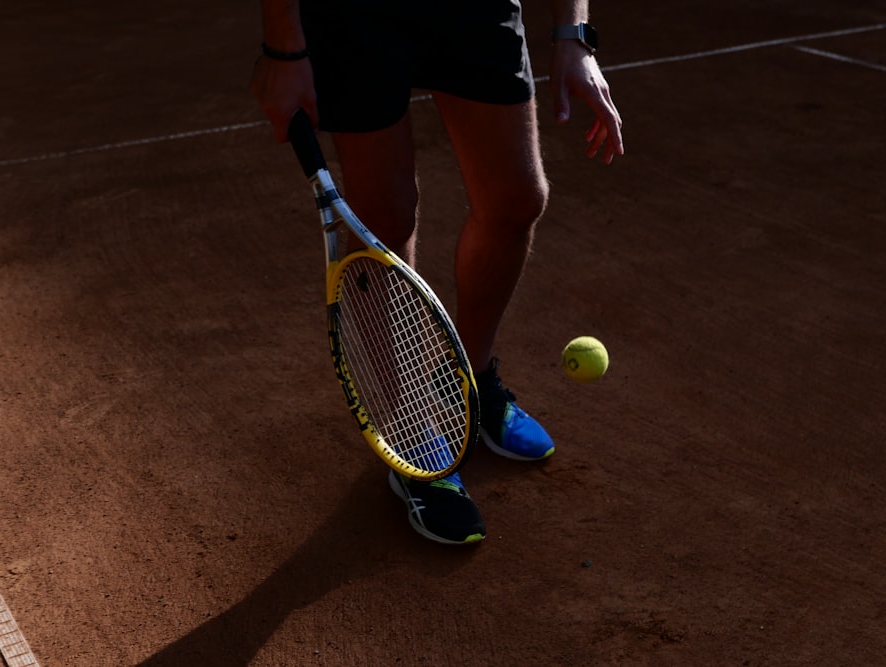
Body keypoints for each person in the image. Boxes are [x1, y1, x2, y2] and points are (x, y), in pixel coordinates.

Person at [251, 0, 623, 546]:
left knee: (517, 198)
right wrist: (283, 44)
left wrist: (573, 35)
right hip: (354, 15)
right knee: (384, 218)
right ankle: (408, 433)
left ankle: (464, 389)